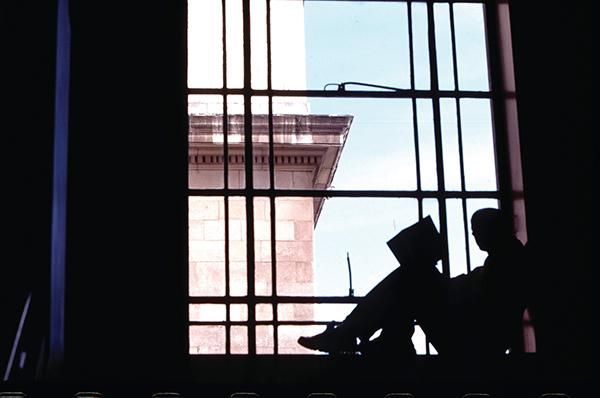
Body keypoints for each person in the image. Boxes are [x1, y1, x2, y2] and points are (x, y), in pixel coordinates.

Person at [297, 208, 528, 364]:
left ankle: (361, 336)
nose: (475, 237)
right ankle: (384, 341)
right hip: (475, 341)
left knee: (411, 276)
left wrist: (436, 279)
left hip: (473, 347)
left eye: (476, 231)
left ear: (492, 230)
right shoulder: (508, 260)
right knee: (414, 276)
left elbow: (478, 301)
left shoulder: (507, 263)